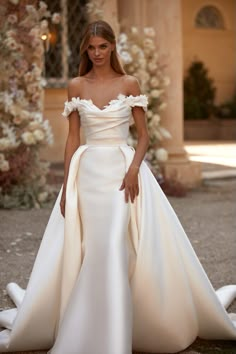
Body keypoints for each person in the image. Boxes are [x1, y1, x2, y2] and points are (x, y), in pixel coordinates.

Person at [0, 20, 235, 354]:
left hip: (123, 174)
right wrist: (68, 185)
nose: (97, 53)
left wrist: (135, 169)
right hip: (88, 172)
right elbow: (72, 139)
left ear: (112, 47)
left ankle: (114, 331)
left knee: (112, 244)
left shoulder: (129, 83)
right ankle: (90, 324)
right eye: (91, 48)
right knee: (91, 247)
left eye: (103, 46)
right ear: (85, 50)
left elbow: (143, 136)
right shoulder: (76, 85)